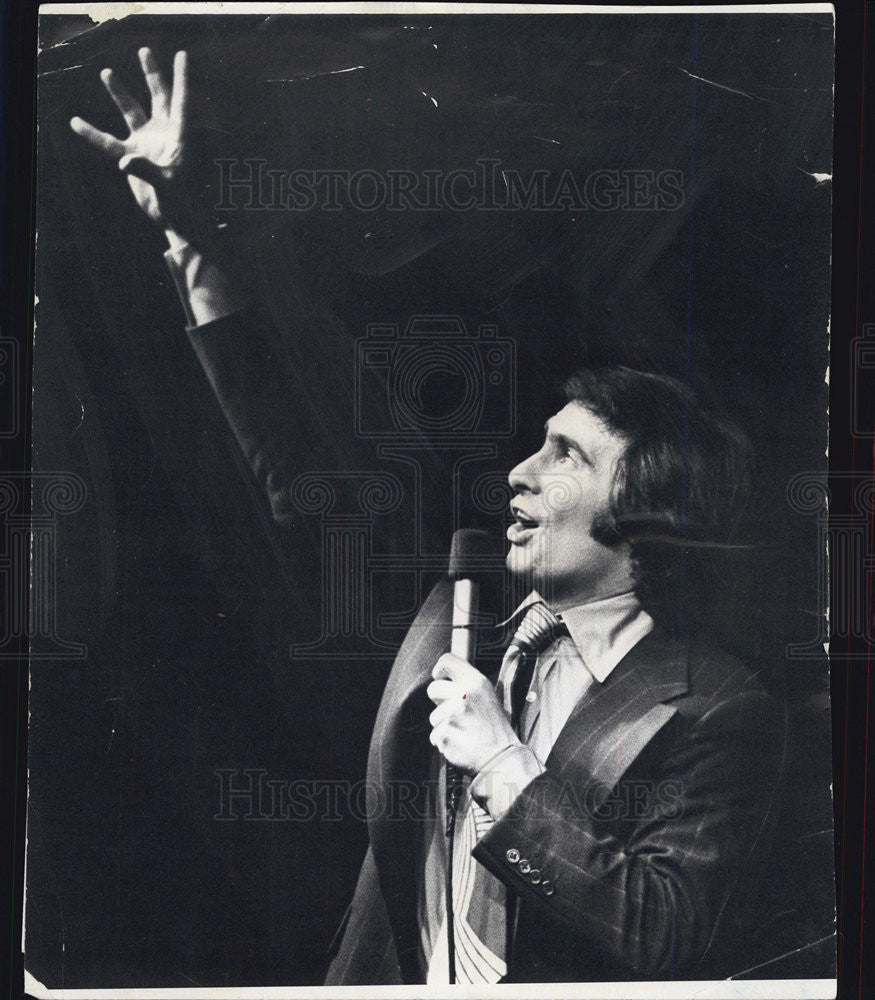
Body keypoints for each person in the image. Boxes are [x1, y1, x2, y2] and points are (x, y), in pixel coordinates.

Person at [71, 50, 785, 985]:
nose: (517, 477)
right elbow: (300, 471)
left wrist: (503, 763)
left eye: (565, 455)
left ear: (642, 501)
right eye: (537, 443)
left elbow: (664, 935)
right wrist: (193, 246)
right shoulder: (465, 597)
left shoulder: (721, 710)